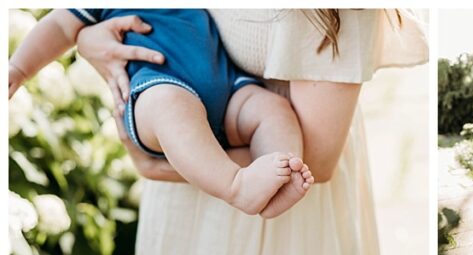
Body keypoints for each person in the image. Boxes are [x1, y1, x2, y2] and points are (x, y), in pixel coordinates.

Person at [73, 10, 428, 255]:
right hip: (187, 160)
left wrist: (160, 167)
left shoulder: (331, 12)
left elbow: (315, 162)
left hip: (272, 177)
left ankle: (242, 185)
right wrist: (88, 37)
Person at [11, 10, 314, 218]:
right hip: (157, 88)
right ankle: (237, 186)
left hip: (228, 88)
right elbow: (60, 26)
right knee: (172, 107)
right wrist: (18, 69)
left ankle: (279, 181)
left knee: (273, 108)